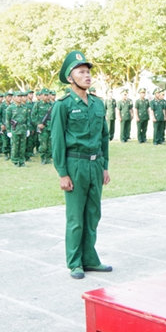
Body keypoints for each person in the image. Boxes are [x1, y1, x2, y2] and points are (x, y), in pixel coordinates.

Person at [51, 51, 112, 279]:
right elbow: (57, 141)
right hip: (75, 165)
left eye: (88, 72)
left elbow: (104, 136)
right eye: (81, 72)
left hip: (96, 165)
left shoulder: (98, 103)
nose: (87, 76)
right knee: (76, 217)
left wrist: (104, 166)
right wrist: (62, 173)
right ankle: (75, 262)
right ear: (70, 77)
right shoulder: (63, 105)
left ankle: (90, 259)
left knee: (93, 214)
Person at [7, 91, 29, 167]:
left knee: (22, 147)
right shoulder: (10, 108)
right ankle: (15, 161)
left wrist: (28, 129)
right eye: (18, 96)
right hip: (15, 129)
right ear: (14, 97)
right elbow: (7, 120)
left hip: (23, 128)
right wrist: (8, 131)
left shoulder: (24, 107)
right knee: (15, 147)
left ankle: (22, 161)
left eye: (21, 96)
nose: (20, 98)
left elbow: (27, 119)